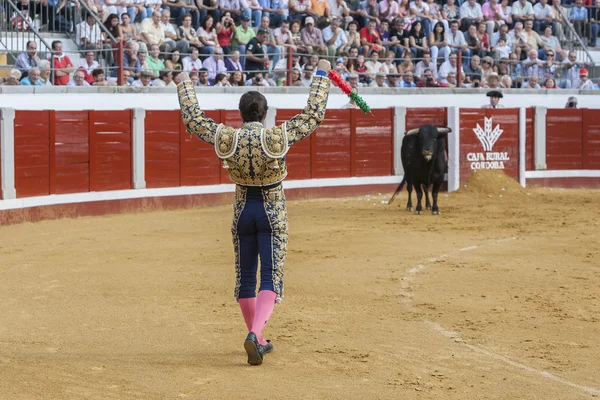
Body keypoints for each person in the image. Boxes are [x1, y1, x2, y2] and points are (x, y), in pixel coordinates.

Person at [174, 58, 332, 366]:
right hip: (272, 211)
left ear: (241, 113)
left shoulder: (227, 138)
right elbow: (313, 116)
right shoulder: (275, 137)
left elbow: (194, 121)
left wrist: (183, 84)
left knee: (245, 276)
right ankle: (255, 334)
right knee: (270, 276)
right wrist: (321, 75)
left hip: (243, 210)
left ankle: (256, 338)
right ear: (265, 112)